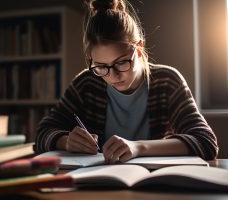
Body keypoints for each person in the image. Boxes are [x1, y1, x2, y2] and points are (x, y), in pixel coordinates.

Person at [35, 0, 218, 163]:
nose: (113, 75)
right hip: (98, 184)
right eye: (101, 67)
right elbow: (42, 134)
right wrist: (66, 141)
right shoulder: (86, 84)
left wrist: (138, 148)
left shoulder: (167, 82)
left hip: (155, 184)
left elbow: (206, 142)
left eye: (121, 62)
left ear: (139, 49)